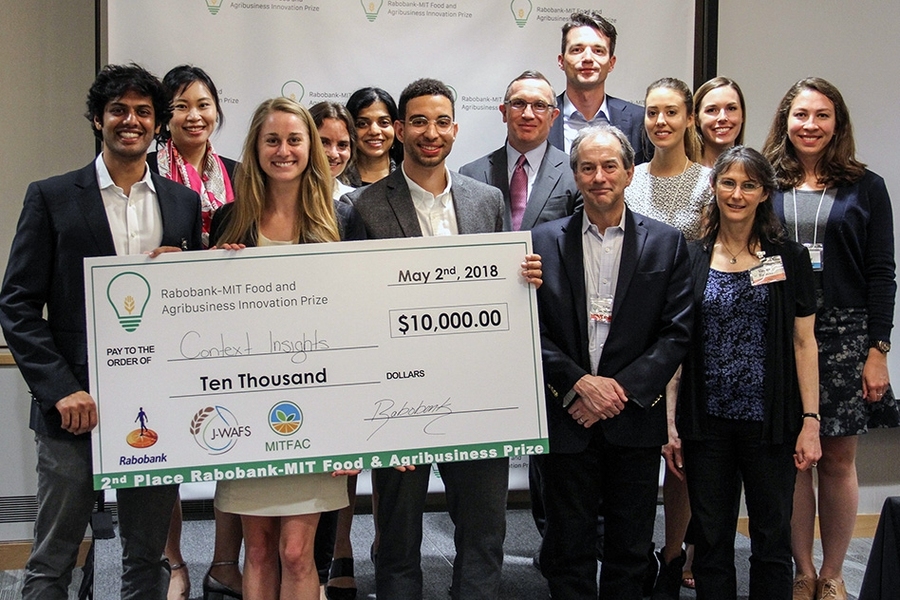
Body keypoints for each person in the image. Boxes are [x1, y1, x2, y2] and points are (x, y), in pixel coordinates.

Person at [0, 63, 202, 600]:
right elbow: (17, 303)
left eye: (142, 112)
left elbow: (197, 305)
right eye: (118, 110)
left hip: (156, 405)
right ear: (97, 119)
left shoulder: (182, 204)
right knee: (54, 557)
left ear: (158, 124)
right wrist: (60, 387)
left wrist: (194, 267)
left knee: (147, 554)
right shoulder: (52, 196)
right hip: (74, 405)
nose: (130, 121)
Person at [344, 77, 542, 600]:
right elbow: (354, 310)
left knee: (483, 532)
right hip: (399, 399)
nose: (430, 133)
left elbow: (500, 298)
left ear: (455, 128)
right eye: (418, 121)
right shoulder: (362, 207)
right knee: (398, 536)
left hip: (478, 396)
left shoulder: (488, 201)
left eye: (441, 122)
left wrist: (523, 277)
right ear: (400, 130)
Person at [208, 97, 366, 600]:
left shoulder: (342, 221)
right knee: (256, 551)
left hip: (319, 412)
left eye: (295, 139)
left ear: (310, 148)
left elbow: (361, 331)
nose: (283, 150)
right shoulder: (229, 220)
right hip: (246, 410)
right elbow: (204, 319)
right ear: (255, 148)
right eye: (271, 140)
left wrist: (355, 428)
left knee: (297, 552)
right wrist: (209, 268)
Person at [531, 124, 693, 600]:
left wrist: (616, 392)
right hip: (567, 414)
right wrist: (579, 383)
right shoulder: (539, 241)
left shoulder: (667, 243)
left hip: (634, 419)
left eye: (609, 166)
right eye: (587, 167)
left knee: (630, 547)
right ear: (575, 176)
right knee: (568, 547)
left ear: (628, 172)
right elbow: (529, 329)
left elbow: (677, 332)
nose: (598, 176)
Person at [762, 77, 900, 600]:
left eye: (821, 115)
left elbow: (882, 272)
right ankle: (801, 570)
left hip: (844, 334)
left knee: (838, 459)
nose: (810, 125)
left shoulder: (868, 186)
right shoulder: (764, 182)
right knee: (793, 460)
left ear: (837, 123)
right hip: (778, 331)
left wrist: (877, 351)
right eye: (801, 115)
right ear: (785, 120)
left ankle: (835, 571)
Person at [674, 145, 822, 599]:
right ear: (714, 187)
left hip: (771, 423)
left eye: (749, 185)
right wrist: (669, 421)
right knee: (712, 539)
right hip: (707, 423)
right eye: (728, 182)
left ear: (764, 194)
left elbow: (803, 342)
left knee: (771, 539)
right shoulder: (690, 253)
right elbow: (675, 344)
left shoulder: (789, 258)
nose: (736, 194)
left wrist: (811, 422)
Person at [149, 64, 243, 600]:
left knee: (233, 438)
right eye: (181, 105)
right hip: (168, 332)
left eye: (203, 104)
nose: (194, 115)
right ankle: (173, 559)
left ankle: (225, 562)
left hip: (229, 328)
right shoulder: (146, 175)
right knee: (168, 447)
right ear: (166, 116)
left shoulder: (236, 171)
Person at [623, 76, 713, 600]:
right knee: (642, 453)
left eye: (671, 112)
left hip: (692, 329)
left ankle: (676, 553)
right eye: (652, 113)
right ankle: (638, 553)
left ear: (688, 119)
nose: (660, 122)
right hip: (634, 336)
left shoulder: (710, 182)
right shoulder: (626, 178)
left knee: (683, 455)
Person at [308, 100, 359, 600]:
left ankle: (319, 577)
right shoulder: (262, 205)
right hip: (288, 363)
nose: (334, 152)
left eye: (342, 143)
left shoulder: (355, 207)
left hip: (341, 362)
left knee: (329, 481)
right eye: (323, 141)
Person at [459, 70, 579, 231]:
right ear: (504, 112)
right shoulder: (471, 175)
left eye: (539, 105)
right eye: (518, 103)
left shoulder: (574, 173)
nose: (528, 114)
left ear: (553, 117)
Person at [549, 10, 647, 164]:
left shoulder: (639, 120)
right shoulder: (540, 118)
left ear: (611, 63)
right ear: (561, 61)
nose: (588, 58)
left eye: (598, 51)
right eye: (577, 50)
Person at [343, 87, 402, 187]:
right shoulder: (335, 179)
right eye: (362, 124)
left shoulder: (410, 178)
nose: (374, 131)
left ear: (396, 127)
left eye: (384, 122)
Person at [693, 77, 746, 169]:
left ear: (742, 116)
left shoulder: (757, 174)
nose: (722, 118)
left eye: (731, 108)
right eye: (712, 110)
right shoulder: (680, 173)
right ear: (696, 119)